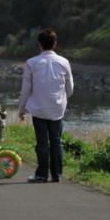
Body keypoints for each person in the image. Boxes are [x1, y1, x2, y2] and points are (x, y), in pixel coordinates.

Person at [19, 28, 73, 183]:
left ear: (39, 44)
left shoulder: (31, 63)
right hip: (57, 109)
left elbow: (25, 90)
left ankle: (42, 174)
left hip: (38, 109)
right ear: (55, 43)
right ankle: (57, 174)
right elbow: (70, 88)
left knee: (42, 142)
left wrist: (22, 109)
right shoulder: (64, 62)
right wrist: (62, 100)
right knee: (56, 141)